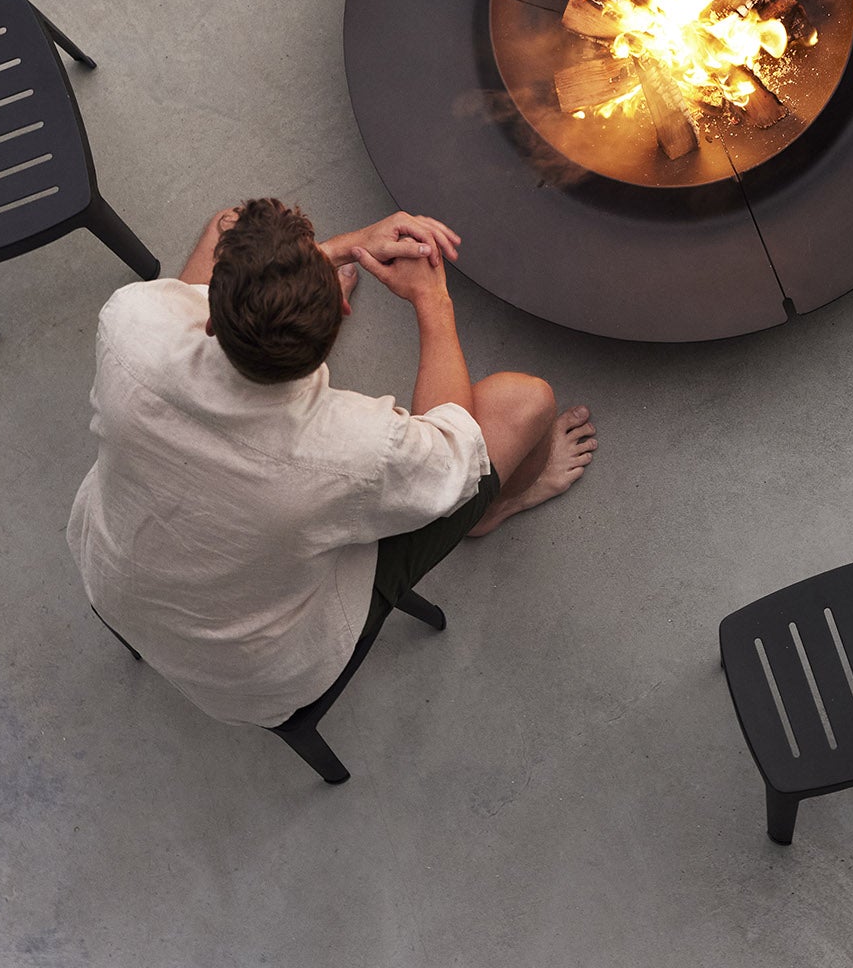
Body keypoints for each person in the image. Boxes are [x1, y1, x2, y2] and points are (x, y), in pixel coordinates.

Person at [67, 197, 596, 729]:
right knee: (524, 403)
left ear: (210, 317)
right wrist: (431, 299)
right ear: (338, 322)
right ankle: (497, 509)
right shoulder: (355, 448)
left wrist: (345, 247)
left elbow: (200, 278)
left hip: (116, 580)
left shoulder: (127, 322)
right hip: (258, 668)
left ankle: (271, 306)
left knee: (228, 224)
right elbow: (453, 457)